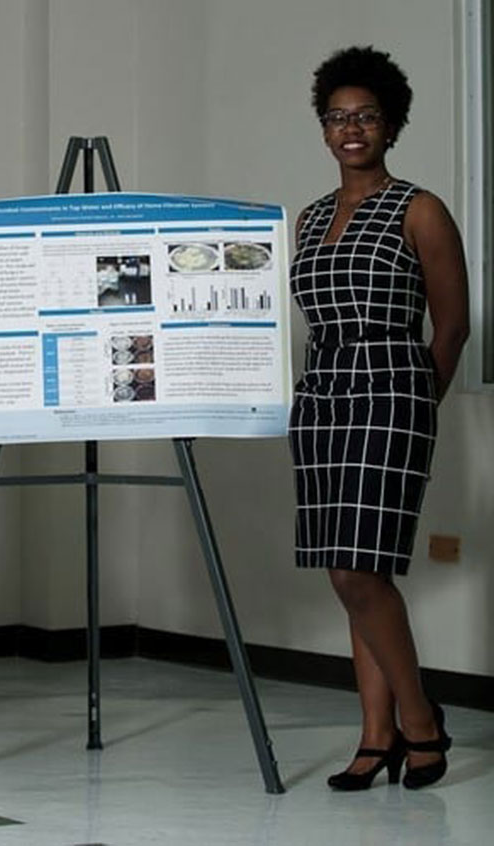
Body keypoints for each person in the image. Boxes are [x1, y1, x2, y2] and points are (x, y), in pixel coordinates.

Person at [288, 46, 468, 791]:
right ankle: (375, 736)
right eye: (337, 117)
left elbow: (452, 328)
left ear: (390, 126)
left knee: (360, 569)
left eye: (365, 116)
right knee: (349, 573)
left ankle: (421, 722)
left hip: (392, 385)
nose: (350, 128)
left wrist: (417, 403)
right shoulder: (313, 216)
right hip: (322, 386)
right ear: (324, 129)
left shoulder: (419, 207)